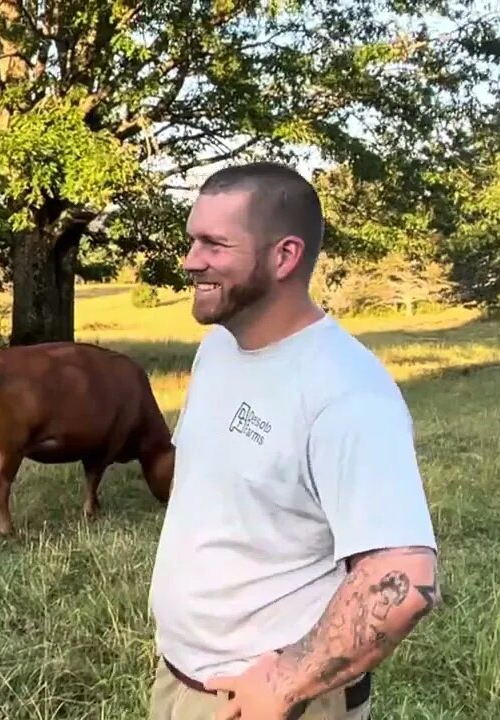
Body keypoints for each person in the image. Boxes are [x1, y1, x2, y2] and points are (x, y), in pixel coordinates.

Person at [147, 161, 441, 720]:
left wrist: (284, 683)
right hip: (183, 681)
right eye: (192, 240)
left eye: (214, 244)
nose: (191, 261)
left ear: (284, 256)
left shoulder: (347, 392)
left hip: (267, 705)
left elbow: (403, 580)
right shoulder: (219, 349)